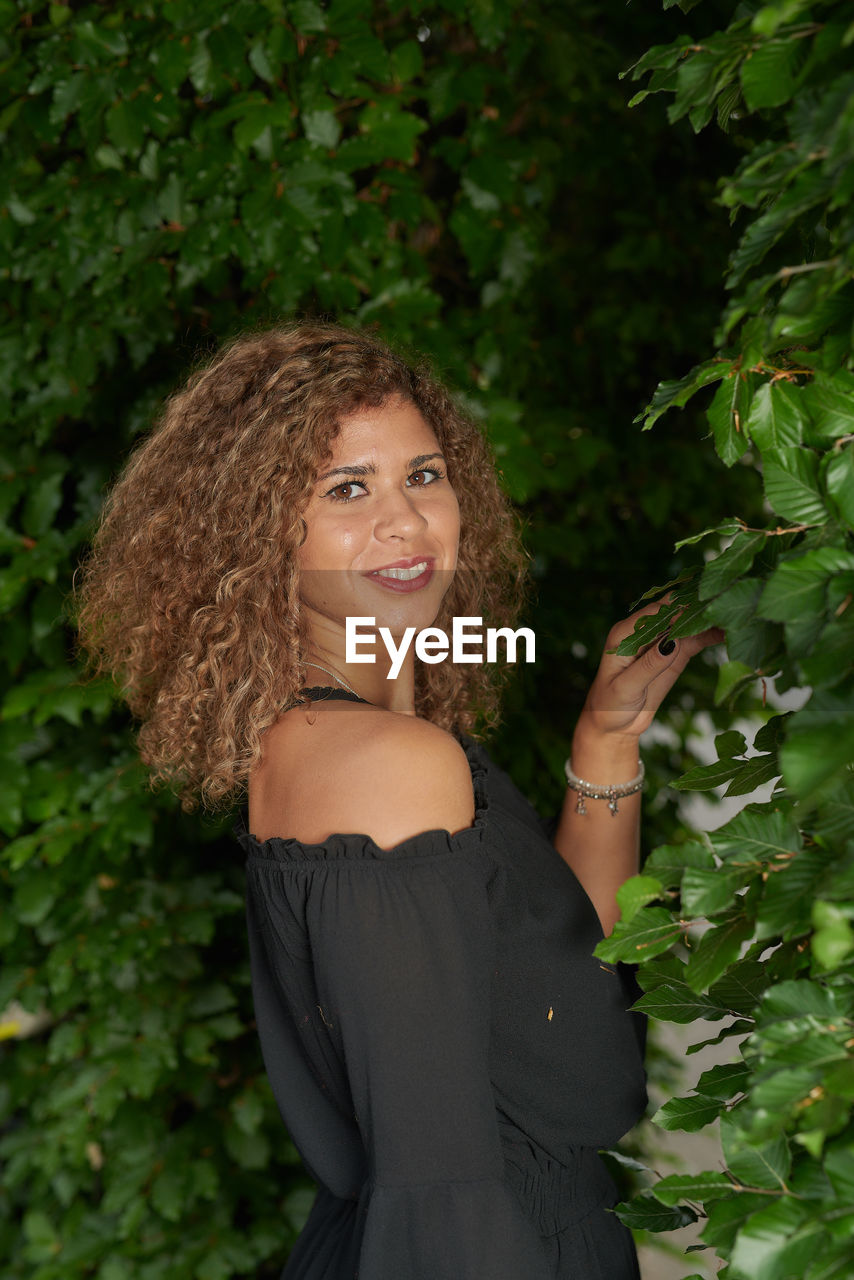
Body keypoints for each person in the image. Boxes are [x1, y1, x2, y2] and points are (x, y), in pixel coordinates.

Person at [76, 322, 723, 1279]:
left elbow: (565, 985)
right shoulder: (388, 764)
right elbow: (439, 1190)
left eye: (424, 475)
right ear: (259, 534)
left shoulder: (376, 739)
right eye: (347, 489)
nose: (405, 522)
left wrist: (608, 736)